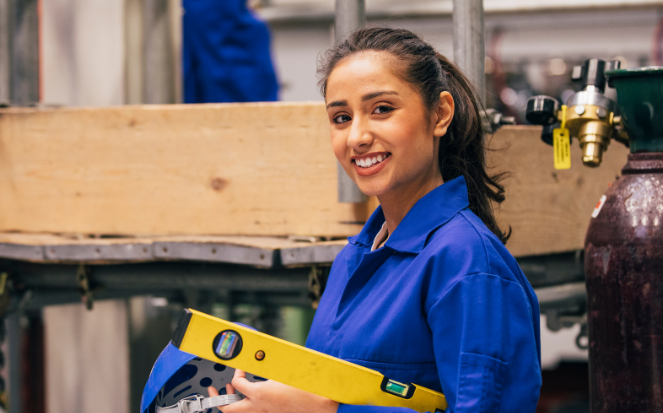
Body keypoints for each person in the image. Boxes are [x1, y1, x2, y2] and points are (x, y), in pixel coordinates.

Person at [205, 27, 542, 413]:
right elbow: (332, 392)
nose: (357, 137)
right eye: (341, 117)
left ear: (440, 114)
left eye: (382, 109)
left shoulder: (467, 263)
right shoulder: (355, 255)